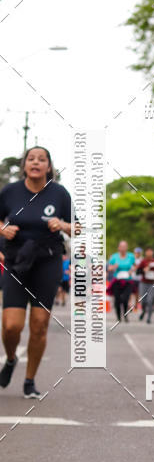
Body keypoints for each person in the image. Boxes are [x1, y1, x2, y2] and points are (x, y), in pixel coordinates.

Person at [0, 146, 74, 398]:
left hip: (47, 262)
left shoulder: (59, 193)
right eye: (31, 159)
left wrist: (63, 224)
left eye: (42, 160)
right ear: (24, 166)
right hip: (16, 261)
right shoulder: (10, 192)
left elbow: (78, 227)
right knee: (11, 326)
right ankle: (10, 359)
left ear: (49, 167)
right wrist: (2, 229)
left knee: (40, 324)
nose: (36, 163)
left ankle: (29, 380)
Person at [107, 241, 136, 322]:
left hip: (128, 281)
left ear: (126, 248)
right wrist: (113, 267)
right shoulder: (114, 257)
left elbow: (135, 266)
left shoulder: (131, 256)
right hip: (117, 281)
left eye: (124, 246)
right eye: (121, 247)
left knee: (125, 299)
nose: (123, 248)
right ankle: (118, 317)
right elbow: (109, 268)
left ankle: (125, 315)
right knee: (117, 299)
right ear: (118, 248)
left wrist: (132, 270)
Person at [136, 247, 154, 324]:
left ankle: (149, 318)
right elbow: (138, 272)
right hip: (144, 283)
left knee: (150, 300)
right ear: (146, 253)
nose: (149, 253)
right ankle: (143, 311)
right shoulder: (143, 261)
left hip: (153, 283)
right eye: (147, 251)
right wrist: (144, 270)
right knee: (143, 300)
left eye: (150, 251)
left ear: (152, 252)